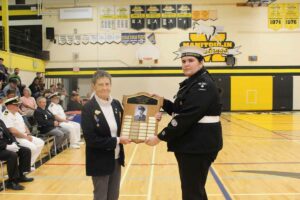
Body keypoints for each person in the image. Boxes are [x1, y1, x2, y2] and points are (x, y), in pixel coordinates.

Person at [145, 46, 223, 200]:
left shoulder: (203, 85)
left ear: (201, 63)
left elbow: (186, 117)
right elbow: (179, 110)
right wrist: (162, 101)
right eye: (183, 61)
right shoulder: (192, 82)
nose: (186, 64)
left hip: (197, 146)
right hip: (191, 144)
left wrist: (160, 137)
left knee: (192, 192)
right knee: (194, 190)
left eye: (191, 61)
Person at [81, 70, 131, 200]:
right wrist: (118, 140)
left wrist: (153, 118)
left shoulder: (116, 104)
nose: (105, 88)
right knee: (101, 196)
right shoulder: (88, 108)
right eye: (101, 84)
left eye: (107, 84)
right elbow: (91, 140)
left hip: (116, 159)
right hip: (99, 160)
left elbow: (128, 122)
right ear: (93, 86)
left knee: (114, 196)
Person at [2, 97, 44, 169]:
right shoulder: (5, 115)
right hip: (16, 138)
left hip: (24, 135)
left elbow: (24, 125)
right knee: (32, 148)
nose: (18, 106)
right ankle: (22, 167)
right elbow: (12, 131)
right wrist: (26, 137)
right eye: (16, 105)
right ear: (9, 105)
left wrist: (28, 134)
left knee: (40, 142)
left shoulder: (17, 113)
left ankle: (28, 165)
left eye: (18, 105)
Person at [0, 119, 34, 190]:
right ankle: (11, 182)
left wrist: (14, 143)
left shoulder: (1, 121)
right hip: (2, 148)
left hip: (6, 146)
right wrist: (5, 146)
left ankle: (21, 175)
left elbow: (9, 134)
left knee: (25, 150)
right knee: (12, 155)